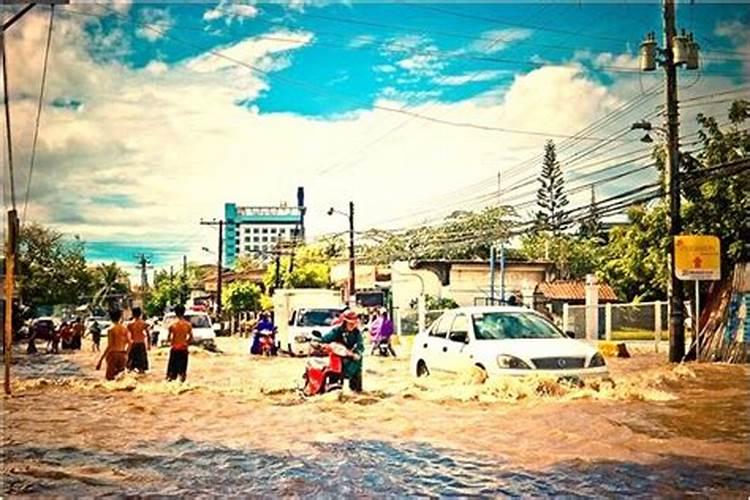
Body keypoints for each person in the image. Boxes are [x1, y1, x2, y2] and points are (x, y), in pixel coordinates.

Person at [320, 310, 364, 393]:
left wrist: (357, 354)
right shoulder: (337, 330)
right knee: (334, 380)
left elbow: (360, 346)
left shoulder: (357, 333)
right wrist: (322, 344)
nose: (352, 325)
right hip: (338, 359)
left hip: (353, 360)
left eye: (354, 323)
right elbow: (325, 339)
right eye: (350, 323)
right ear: (345, 322)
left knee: (357, 389)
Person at [96, 309, 131, 380]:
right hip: (122, 354)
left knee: (109, 378)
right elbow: (130, 342)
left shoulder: (111, 329)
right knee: (121, 378)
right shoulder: (125, 329)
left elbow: (110, 345)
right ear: (120, 317)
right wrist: (126, 354)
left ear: (110, 318)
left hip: (113, 354)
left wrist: (100, 360)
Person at [166, 305, 193, 382]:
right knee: (182, 371)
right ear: (184, 313)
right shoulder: (188, 325)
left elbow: (169, 338)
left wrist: (173, 343)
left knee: (171, 372)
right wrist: (185, 343)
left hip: (174, 349)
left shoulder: (172, 325)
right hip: (183, 349)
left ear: (175, 313)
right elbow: (191, 337)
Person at [127, 307, 150, 373]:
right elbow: (148, 335)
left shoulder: (130, 324)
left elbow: (128, 337)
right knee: (141, 367)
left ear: (132, 314)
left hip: (133, 344)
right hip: (141, 344)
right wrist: (149, 345)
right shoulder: (144, 324)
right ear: (140, 314)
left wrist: (127, 347)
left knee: (130, 367)